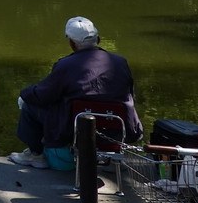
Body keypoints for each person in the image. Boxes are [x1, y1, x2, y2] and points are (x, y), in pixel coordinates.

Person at [9, 16, 143, 169]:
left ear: (72, 43)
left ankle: (35, 154)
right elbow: (130, 94)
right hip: (116, 131)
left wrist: (25, 93)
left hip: (73, 131)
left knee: (29, 104)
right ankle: (111, 157)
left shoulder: (66, 65)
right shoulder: (120, 62)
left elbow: (43, 95)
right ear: (98, 39)